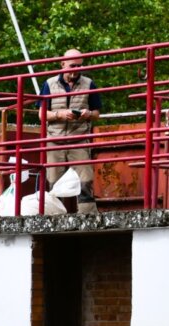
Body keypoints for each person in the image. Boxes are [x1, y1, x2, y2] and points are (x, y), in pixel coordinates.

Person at [39, 49, 103, 213]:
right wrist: (60, 115)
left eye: (79, 66)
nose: (76, 69)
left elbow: (97, 113)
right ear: (63, 64)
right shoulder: (49, 84)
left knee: (85, 180)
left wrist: (88, 114)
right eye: (72, 65)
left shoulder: (89, 83)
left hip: (79, 139)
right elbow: (42, 114)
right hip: (55, 140)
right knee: (54, 181)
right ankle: (54, 217)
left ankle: (88, 217)